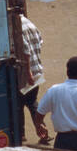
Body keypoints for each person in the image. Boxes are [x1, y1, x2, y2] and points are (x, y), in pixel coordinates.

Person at [18, 14, 51, 144]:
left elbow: (26, 51)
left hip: (27, 73)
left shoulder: (17, 26)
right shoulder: (30, 23)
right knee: (32, 102)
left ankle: (21, 135)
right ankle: (42, 131)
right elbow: (40, 41)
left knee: (19, 105)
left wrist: (28, 72)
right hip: (37, 70)